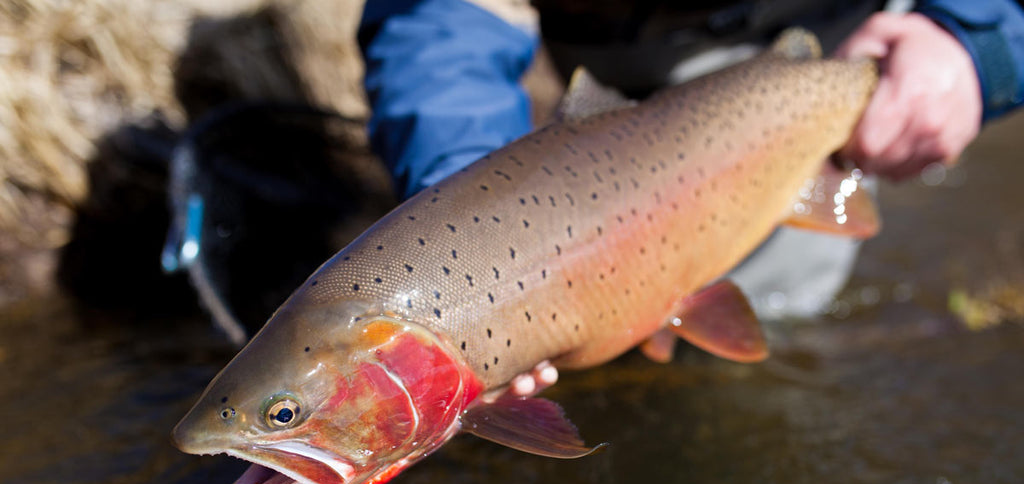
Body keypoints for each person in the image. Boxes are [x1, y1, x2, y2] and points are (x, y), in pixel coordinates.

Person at [357, 0, 1024, 319]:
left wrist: (979, 47)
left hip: (853, 31)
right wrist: (464, 223)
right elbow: (439, 25)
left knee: (775, 325)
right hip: (623, 45)